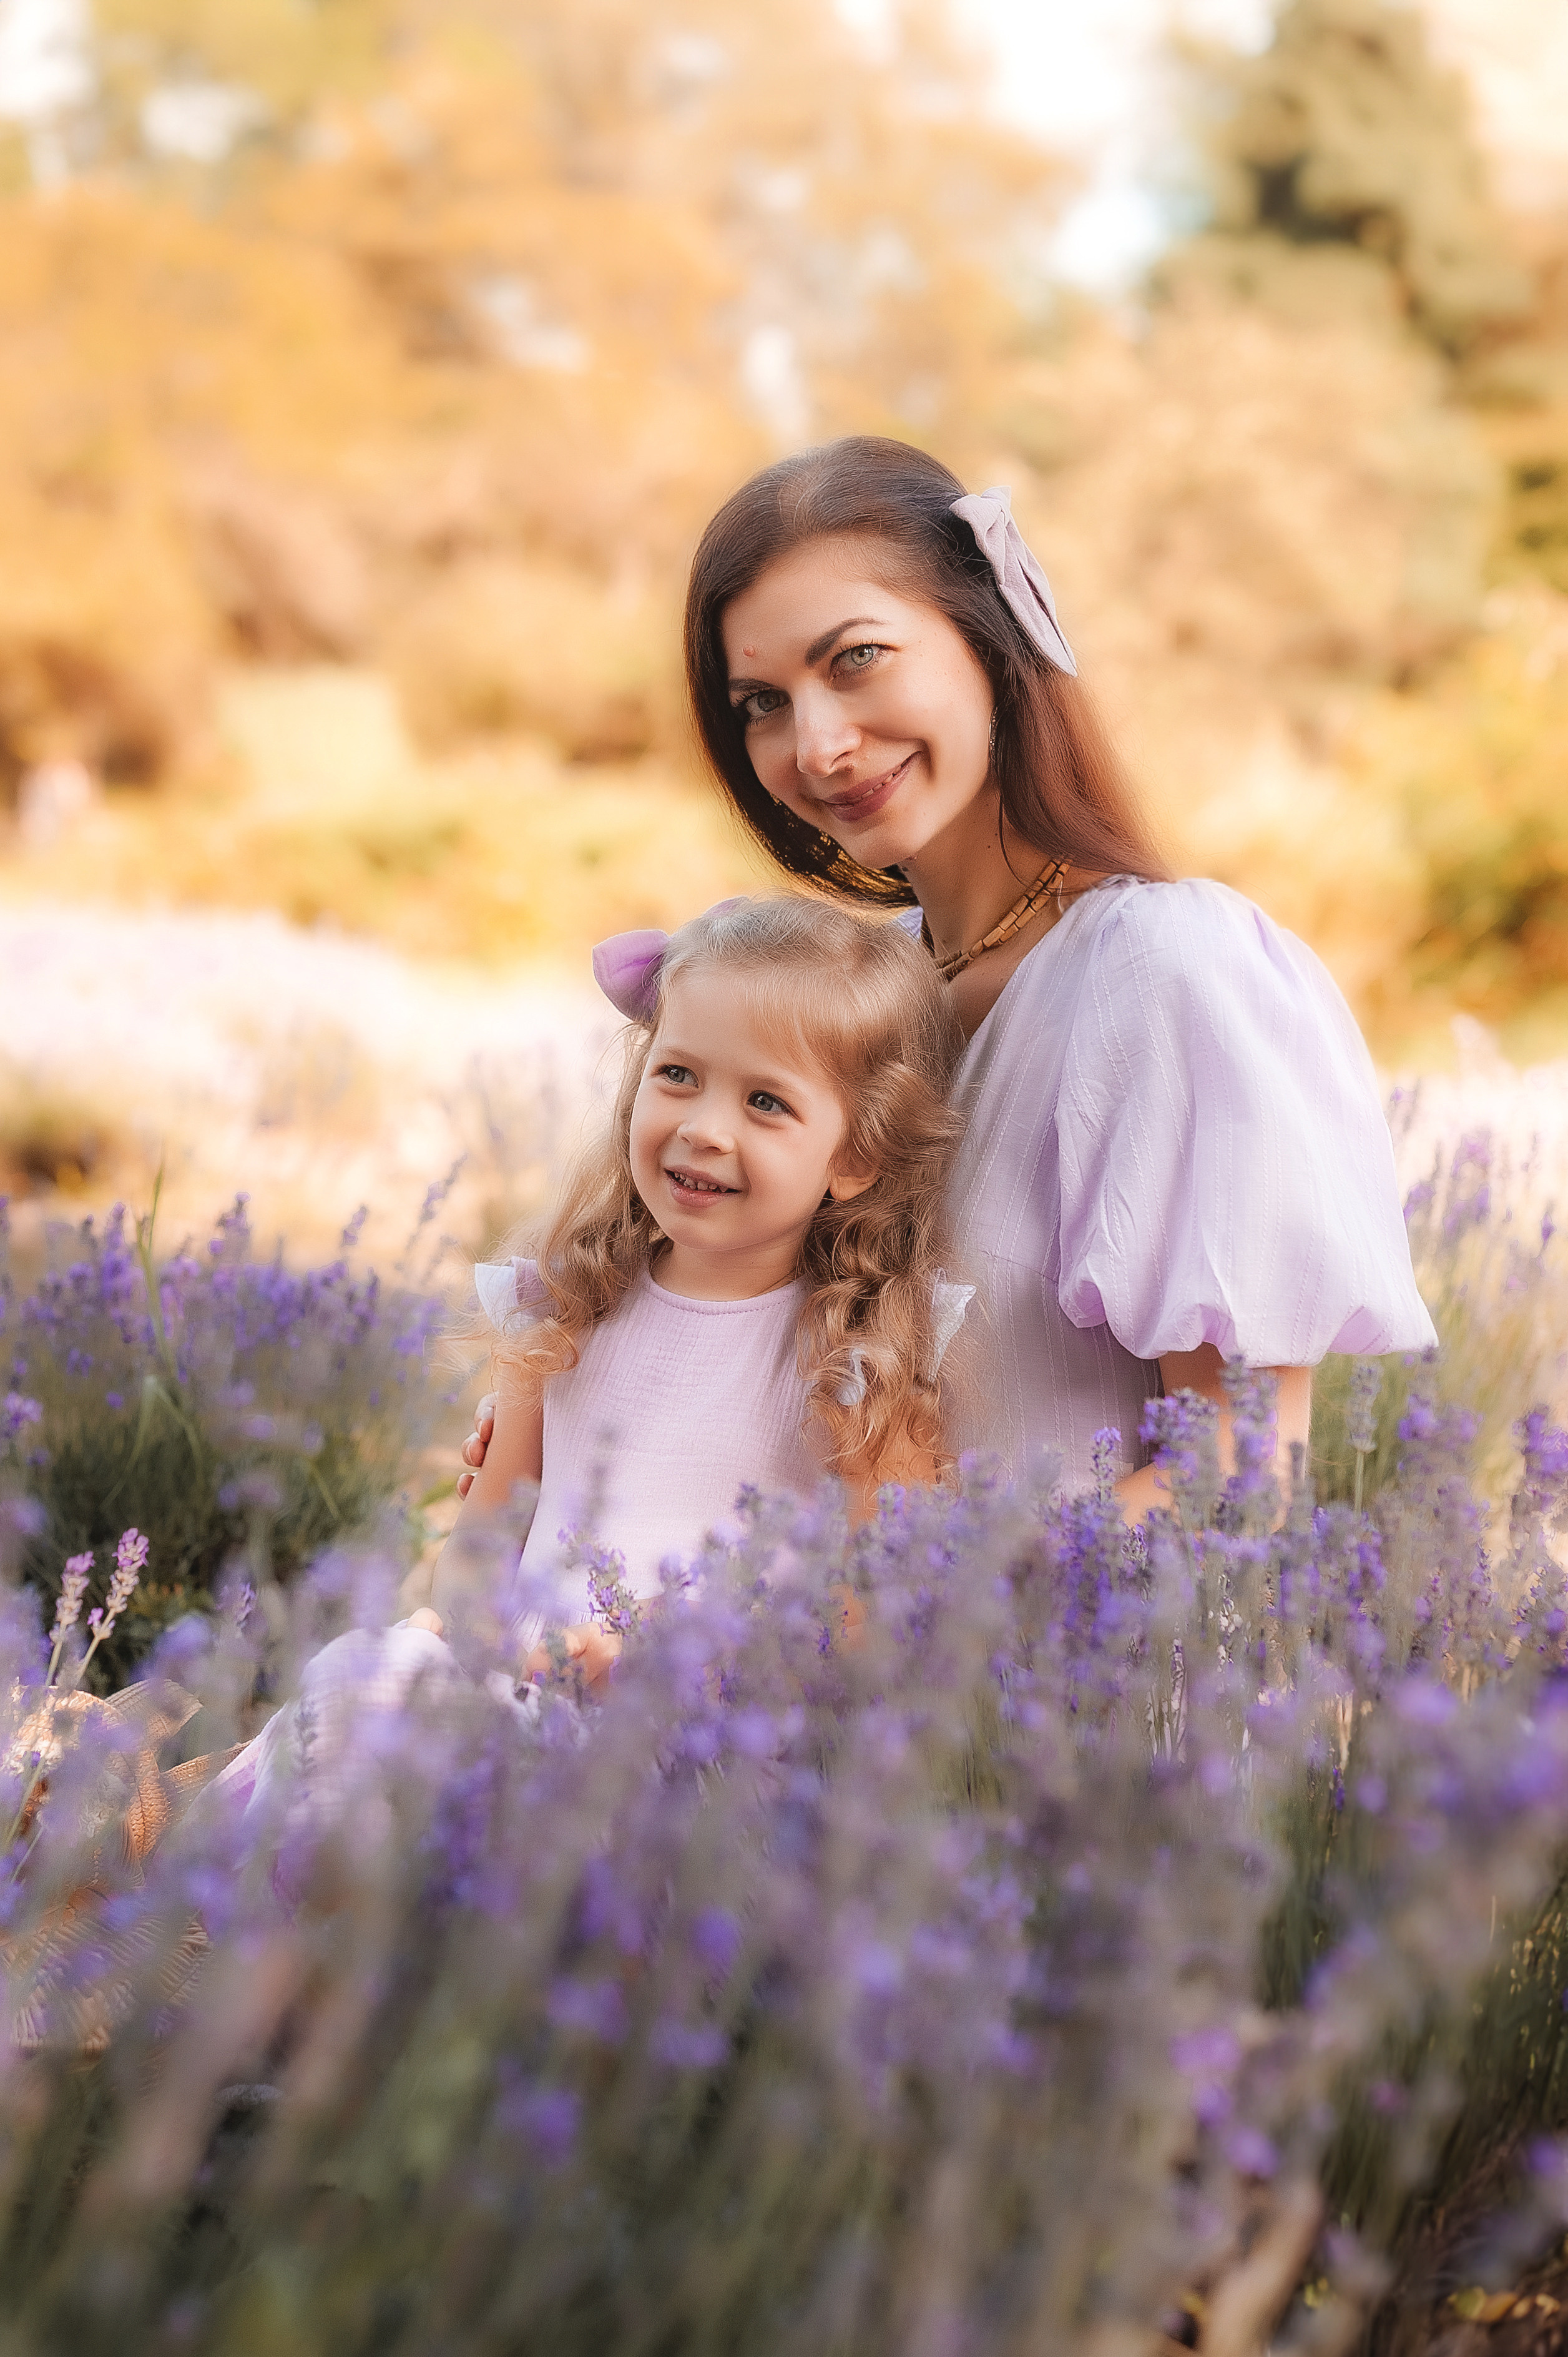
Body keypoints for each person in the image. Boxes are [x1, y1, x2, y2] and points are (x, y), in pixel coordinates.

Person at [465, 436, 1434, 1515]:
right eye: (761, 704)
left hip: (1048, 1671)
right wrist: (622, 1422)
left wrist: (912, 1629)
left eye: (853, 659)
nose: (817, 745)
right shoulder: (861, 992)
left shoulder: (1165, 972)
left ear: (990, 635)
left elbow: (1235, 1459)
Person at [432, 892, 971, 1686]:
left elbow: (875, 1605)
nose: (705, 1128)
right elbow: (481, 1550)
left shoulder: (857, 1357)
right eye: (678, 1074)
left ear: (856, 1153)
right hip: (518, 1709)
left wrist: (694, 1659)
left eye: (765, 1101)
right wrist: (492, 1656)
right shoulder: (566, 1311)